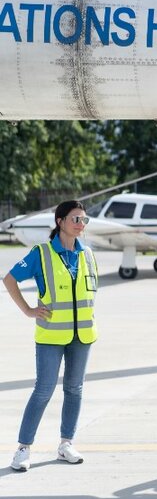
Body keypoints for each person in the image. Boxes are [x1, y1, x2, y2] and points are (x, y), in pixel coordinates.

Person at [3, 200, 100, 472]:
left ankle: (66, 444)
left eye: (84, 220)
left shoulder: (88, 254)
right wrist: (28, 310)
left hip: (82, 335)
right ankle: (23, 449)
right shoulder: (41, 253)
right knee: (43, 390)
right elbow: (10, 279)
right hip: (51, 336)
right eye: (75, 219)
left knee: (74, 389)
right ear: (60, 221)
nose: (81, 225)